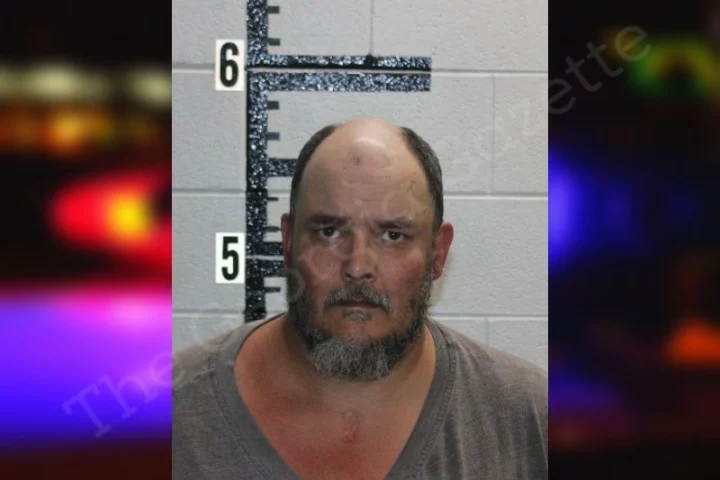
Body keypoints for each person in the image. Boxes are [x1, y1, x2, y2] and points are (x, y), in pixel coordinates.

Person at [172, 117, 547, 479]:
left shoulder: (530, 418)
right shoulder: (171, 412)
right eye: (329, 231)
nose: (357, 266)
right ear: (287, 241)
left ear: (437, 253)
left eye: (393, 235)